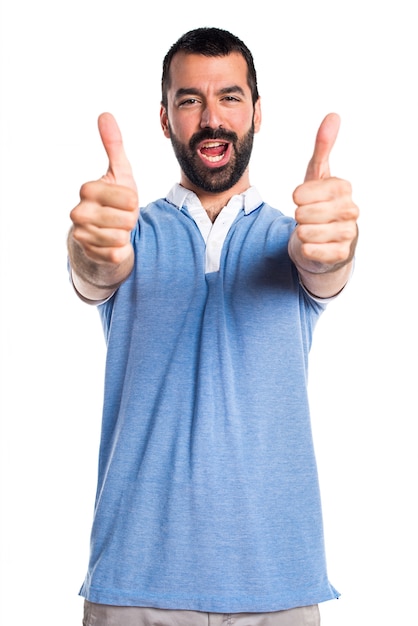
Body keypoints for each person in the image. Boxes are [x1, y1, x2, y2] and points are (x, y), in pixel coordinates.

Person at [68, 26, 359, 626]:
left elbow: (324, 269)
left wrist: (335, 250)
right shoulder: (127, 233)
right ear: (165, 118)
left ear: (256, 112)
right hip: (133, 588)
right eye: (189, 100)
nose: (211, 118)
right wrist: (92, 254)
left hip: (277, 585)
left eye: (229, 97)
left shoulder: (293, 238)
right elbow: (96, 270)